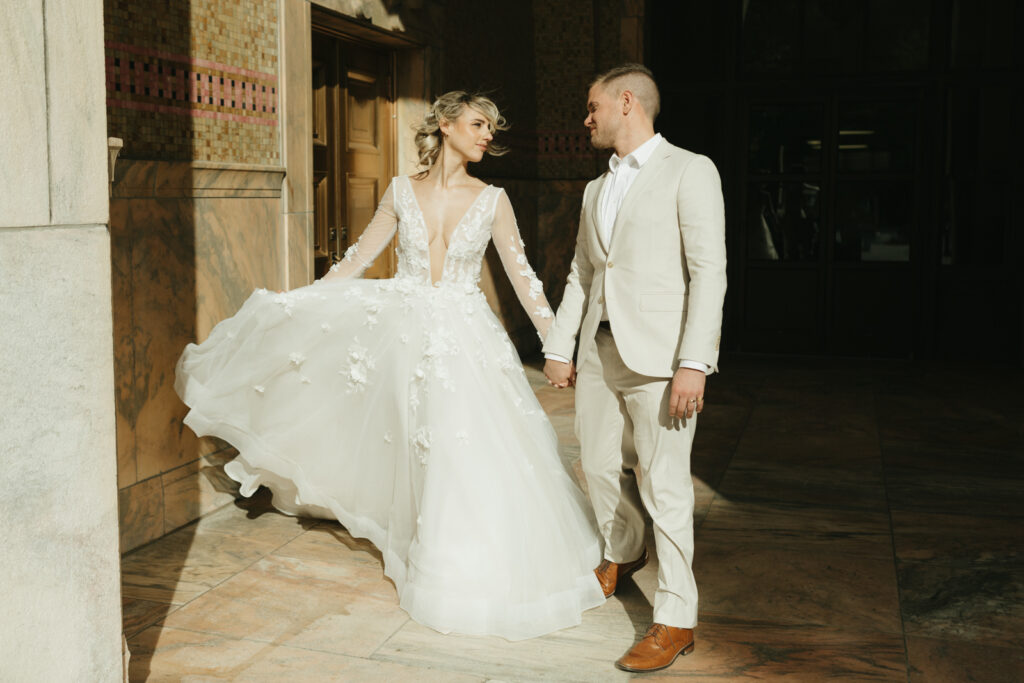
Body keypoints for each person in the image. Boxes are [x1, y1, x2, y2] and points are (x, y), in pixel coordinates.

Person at [175, 91, 605, 641]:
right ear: (446, 126)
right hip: (403, 333)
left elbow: (523, 278)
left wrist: (556, 346)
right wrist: (299, 303)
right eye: (478, 124)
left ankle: (465, 555)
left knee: (462, 442)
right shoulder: (401, 190)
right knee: (417, 441)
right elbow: (356, 260)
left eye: (491, 128)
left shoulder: (493, 198)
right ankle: (427, 540)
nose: (487, 136)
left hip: (465, 339)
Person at [543, 64, 727, 672]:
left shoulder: (691, 170)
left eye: (593, 107)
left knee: (664, 484)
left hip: (662, 358)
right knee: (595, 465)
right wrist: (560, 345)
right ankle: (623, 550)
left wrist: (694, 363)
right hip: (600, 352)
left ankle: (675, 617)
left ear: (627, 103)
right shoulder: (597, 188)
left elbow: (709, 272)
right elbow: (582, 274)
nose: (587, 119)